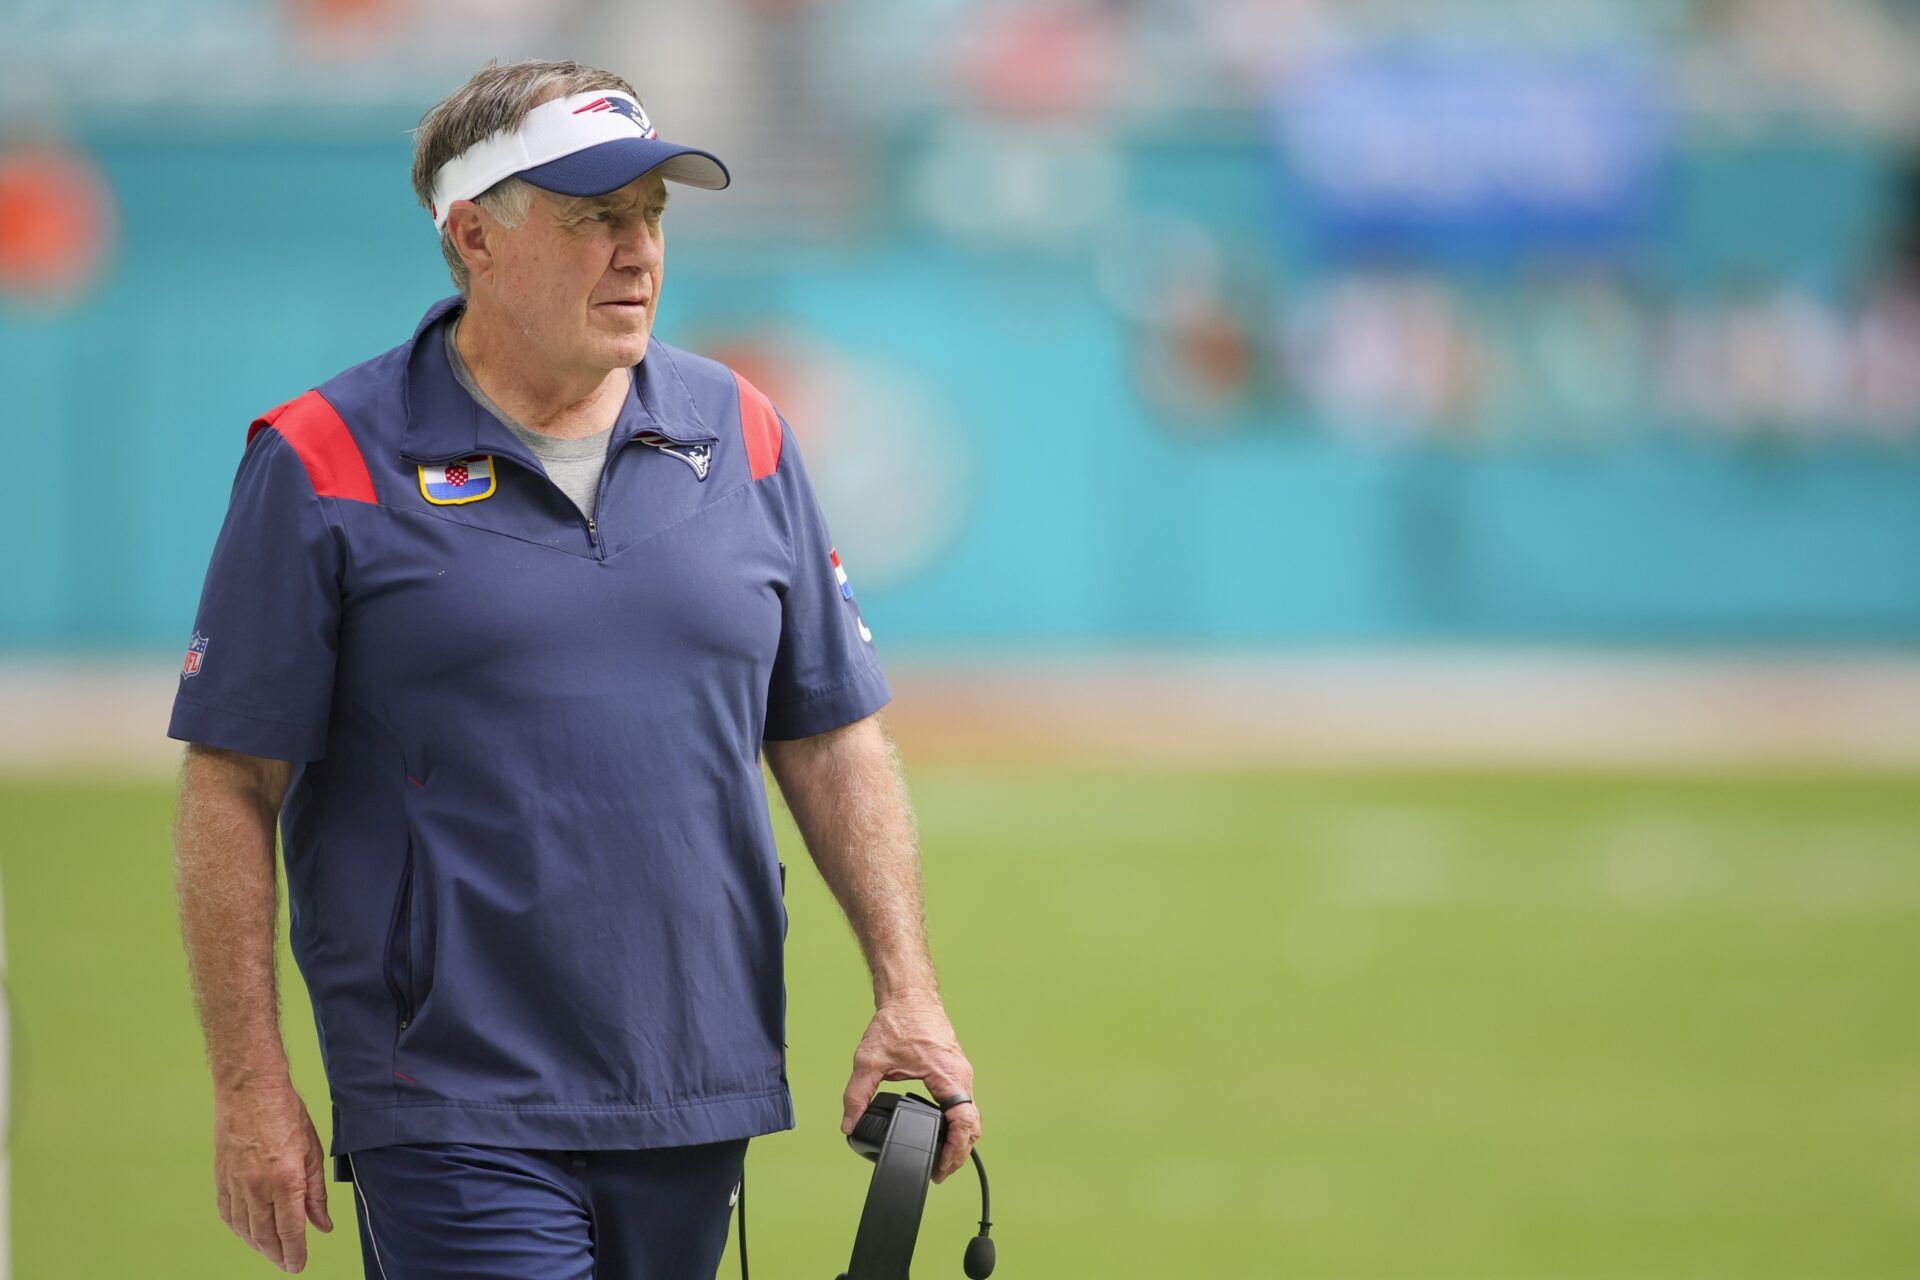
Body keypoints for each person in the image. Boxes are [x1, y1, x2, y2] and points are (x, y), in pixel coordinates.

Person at [167, 58, 980, 1278]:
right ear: (473, 236)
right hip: (449, 1100)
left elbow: (829, 734)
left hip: (694, 1084)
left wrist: (906, 990)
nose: (638, 250)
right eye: (595, 216)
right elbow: (231, 783)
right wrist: (251, 1083)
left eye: (651, 214)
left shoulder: (742, 431)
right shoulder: (323, 458)